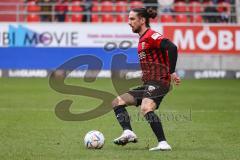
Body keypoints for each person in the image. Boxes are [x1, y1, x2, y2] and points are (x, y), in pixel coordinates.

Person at [112, 7, 181, 151]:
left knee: (146, 107)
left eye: (132, 19)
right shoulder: (142, 39)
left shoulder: (151, 35)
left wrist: (172, 71)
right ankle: (128, 132)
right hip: (150, 83)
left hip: (160, 81)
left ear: (142, 20)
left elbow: (172, 47)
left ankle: (163, 143)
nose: (129, 22)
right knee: (117, 102)